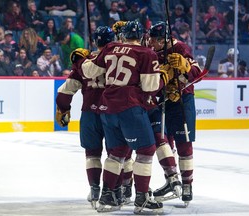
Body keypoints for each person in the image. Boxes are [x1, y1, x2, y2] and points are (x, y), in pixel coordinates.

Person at [79, 20, 167, 214]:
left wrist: (84, 59)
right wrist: (162, 78)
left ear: (123, 36)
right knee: (146, 150)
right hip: (130, 107)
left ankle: (107, 196)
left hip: (106, 107)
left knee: (116, 152)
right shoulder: (147, 53)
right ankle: (142, 200)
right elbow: (150, 87)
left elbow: (88, 71)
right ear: (142, 36)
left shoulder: (110, 48)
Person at [56, 26, 116, 209]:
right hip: (113, 113)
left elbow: (65, 92)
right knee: (118, 155)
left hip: (89, 113)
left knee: (92, 154)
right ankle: (116, 190)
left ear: (95, 42)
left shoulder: (83, 62)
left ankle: (95, 188)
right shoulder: (118, 59)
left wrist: (63, 110)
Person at [147, 21, 202, 206]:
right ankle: (172, 181)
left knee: (184, 143)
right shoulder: (152, 50)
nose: (150, 43)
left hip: (182, 101)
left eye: (154, 40)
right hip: (164, 101)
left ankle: (187, 185)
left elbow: (198, 73)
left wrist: (185, 66)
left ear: (163, 40)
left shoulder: (180, 47)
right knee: (165, 143)